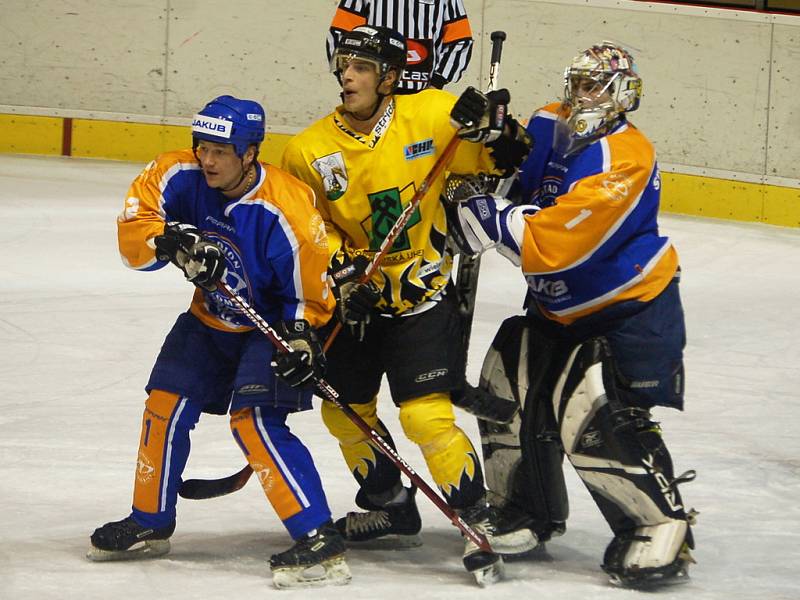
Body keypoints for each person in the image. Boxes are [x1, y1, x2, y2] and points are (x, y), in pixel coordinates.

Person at [281, 25, 534, 584]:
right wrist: (343, 276)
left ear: (390, 78)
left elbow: (510, 161)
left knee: (424, 414)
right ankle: (389, 505)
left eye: (363, 67)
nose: (348, 75)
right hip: (356, 307)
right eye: (345, 64)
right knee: (344, 411)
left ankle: (475, 510)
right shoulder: (306, 151)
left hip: (422, 296)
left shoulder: (433, 116)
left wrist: (493, 126)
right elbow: (304, 232)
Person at [449, 41, 698, 588]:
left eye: (598, 86)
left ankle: (658, 526)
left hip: (625, 306)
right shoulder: (551, 121)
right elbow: (516, 165)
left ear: (624, 95)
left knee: (595, 406)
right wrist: (495, 134)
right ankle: (522, 509)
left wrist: (490, 217)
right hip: (554, 305)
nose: (584, 95)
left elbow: (556, 244)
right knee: (509, 382)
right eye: (579, 83)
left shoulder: (625, 157)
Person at [87, 95, 351, 589]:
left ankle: (318, 536)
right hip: (209, 319)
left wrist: (301, 336)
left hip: (270, 325)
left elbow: (311, 292)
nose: (207, 159)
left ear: (250, 153)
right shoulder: (178, 174)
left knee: (253, 421)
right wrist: (173, 241)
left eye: (221, 151)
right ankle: (150, 519)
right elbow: (135, 228)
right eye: (202, 147)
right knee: (164, 404)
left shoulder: (286, 208)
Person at [326, 0, 473, 93]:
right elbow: (340, 34)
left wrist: (436, 83)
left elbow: (461, 39)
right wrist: (348, 80)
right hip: (372, 94)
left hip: (421, 95)